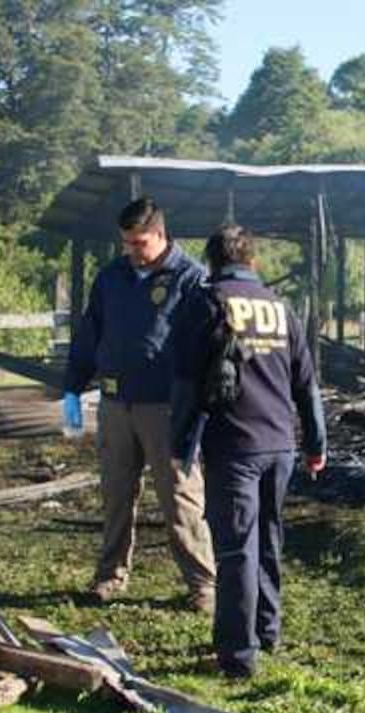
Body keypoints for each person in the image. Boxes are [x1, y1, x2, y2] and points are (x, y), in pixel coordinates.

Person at [171, 223, 326, 679]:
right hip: (279, 444)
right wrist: (315, 443)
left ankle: (238, 656)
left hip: (233, 446)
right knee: (268, 541)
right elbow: (307, 385)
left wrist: (178, 443)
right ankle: (267, 631)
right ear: (253, 261)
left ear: (213, 261)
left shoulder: (203, 303)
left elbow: (183, 381)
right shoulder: (281, 308)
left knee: (236, 548)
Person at [62, 196, 216, 612]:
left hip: (166, 407)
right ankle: (110, 576)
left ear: (162, 236)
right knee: (115, 495)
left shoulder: (191, 278)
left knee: (180, 498)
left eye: (140, 243)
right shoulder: (112, 277)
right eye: (126, 243)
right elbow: (90, 332)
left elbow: (205, 346)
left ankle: (203, 584)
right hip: (116, 403)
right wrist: (72, 387)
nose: (131, 251)